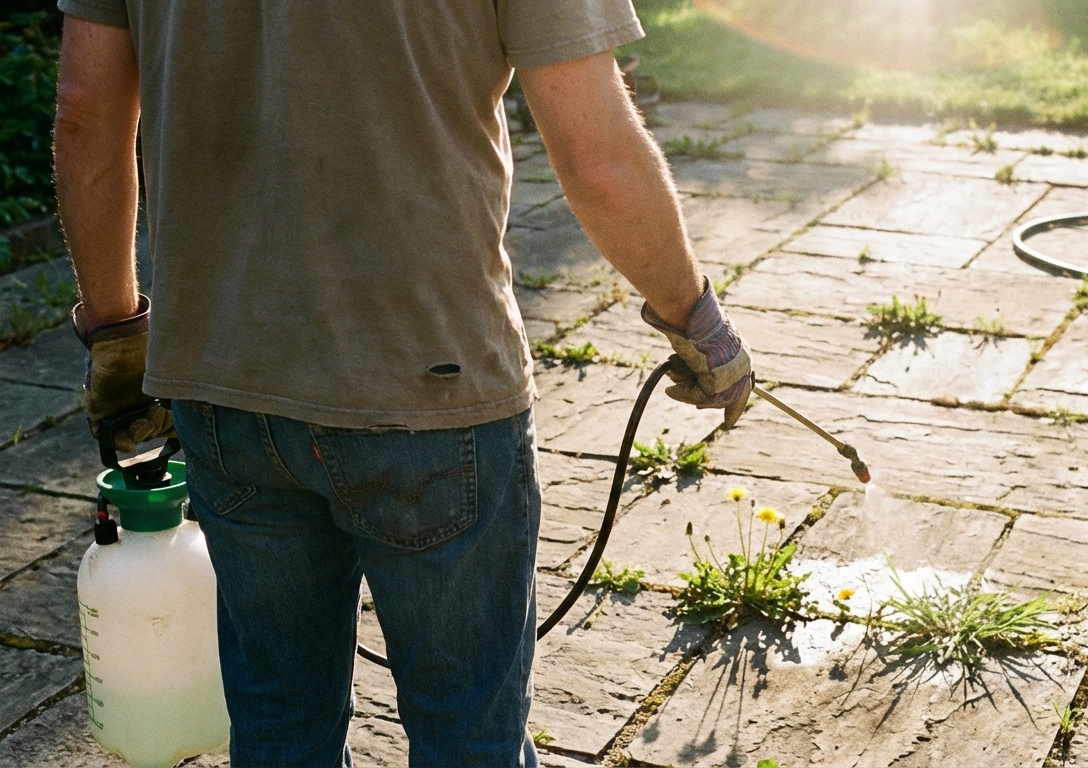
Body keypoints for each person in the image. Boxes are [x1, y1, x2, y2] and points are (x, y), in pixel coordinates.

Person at [52, 1, 752, 765]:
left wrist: (117, 337)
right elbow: (598, 158)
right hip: (430, 381)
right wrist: (697, 323)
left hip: (223, 378)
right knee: (467, 735)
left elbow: (86, 116)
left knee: (279, 718)